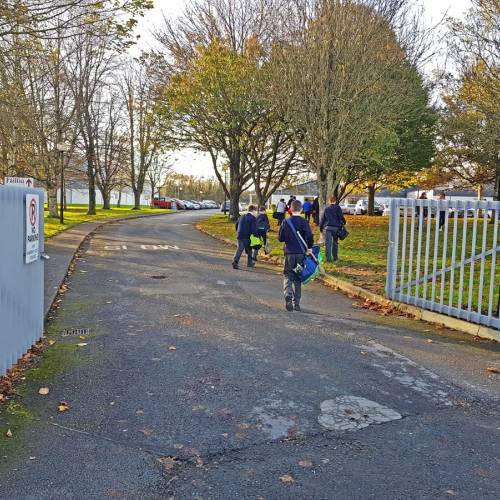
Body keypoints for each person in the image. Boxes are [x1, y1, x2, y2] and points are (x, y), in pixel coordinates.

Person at [278, 199, 314, 312]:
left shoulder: (286, 222)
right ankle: (296, 303)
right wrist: (309, 247)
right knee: (298, 278)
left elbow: (280, 238)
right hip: (301, 253)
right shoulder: (304, 222)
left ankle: (288, 294)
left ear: (290, 209)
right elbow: (310, 236)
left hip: (289, 253)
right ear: (301, 209)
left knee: (288, 275)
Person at [320, 195, 346, 262]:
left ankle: (328, 259)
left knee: (328, 244)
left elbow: (323, 219)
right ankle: (335, 258)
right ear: (335, 201)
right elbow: (341, 217)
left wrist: (321, 228)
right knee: (335, 243)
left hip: (328, 228)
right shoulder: (338, 208)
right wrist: (344, 222)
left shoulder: (326, 209)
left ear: (329, 201)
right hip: (336, 228)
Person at [232, 205, 258, 269]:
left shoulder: (241, 216)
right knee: (249, 250)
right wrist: (256, 235)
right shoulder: (253, 218)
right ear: (253, 210)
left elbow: (236, 225)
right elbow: (253, 228)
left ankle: (235, 261)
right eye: (255, 210)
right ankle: (249, 263)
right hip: (247, 236)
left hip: (239, 235)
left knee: (240, 249)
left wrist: (238, 232)